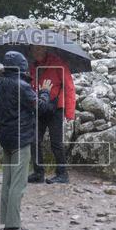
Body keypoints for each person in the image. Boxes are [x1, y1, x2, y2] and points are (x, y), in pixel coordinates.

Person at [0, 51, 54, 230]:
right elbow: (42, 108)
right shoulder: (23, 86)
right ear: (22, 66)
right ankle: (14, 227)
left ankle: (8, 223)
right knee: (18, 183)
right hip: (21, 139)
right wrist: (44, 92)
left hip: (5, 138)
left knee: (8, 182)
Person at [28, 45, 76, 184]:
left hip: (56, 109)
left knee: (56, 143)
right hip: (39, 107)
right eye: (34, 49)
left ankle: (62, 174)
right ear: (30, 51)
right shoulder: (32, 67)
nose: (37, 52)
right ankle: (38, 173)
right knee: (34, 141)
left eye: (40, 49)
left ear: (45, 49)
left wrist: (69, 113)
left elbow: (69, 87)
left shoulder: (58, 63)